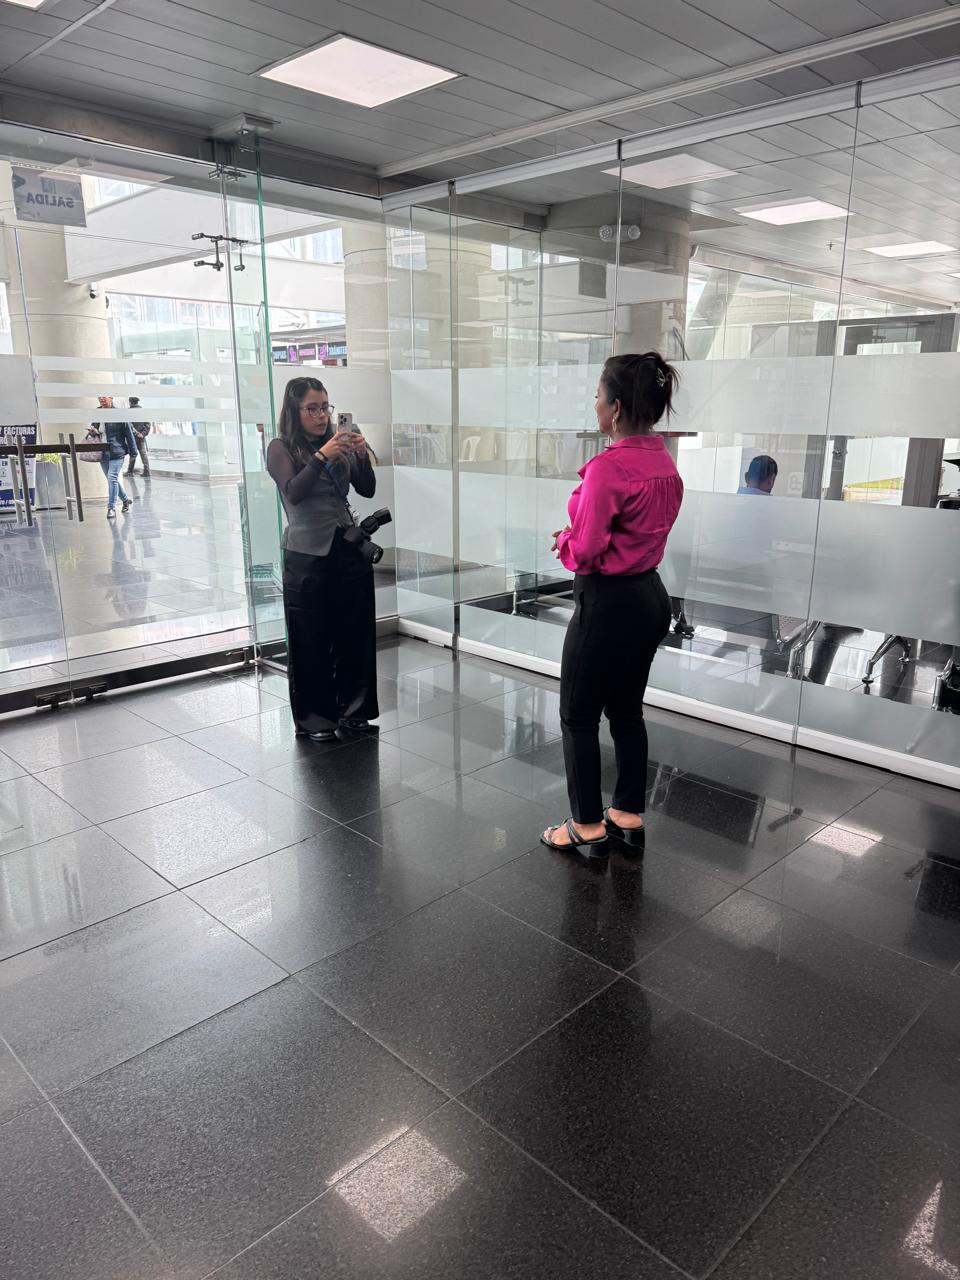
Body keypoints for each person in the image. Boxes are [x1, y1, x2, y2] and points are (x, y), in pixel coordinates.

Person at [541, 352, 683, 855]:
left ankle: (585, 824)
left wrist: (564, 539)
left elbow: (586, 552)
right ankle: (626, 811)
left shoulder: (609, 468)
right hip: (650, 598)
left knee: (577, 715)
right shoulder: (665, 463)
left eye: (598, 396)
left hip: (608, 601)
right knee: (626, 711)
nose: (595, 403)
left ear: (617, 407)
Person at [266, 376, 378, 741]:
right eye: (311, 408)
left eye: (324, 407)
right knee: (310, 638)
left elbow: (367, 489)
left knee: (356, 632)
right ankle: (317, 719)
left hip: (347, 547)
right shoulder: (280, 448)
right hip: (306, 554)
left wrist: (360, 455)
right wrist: (321, 456)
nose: (320, 415)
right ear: (294, 411)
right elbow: (293, 492)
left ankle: (354, 710)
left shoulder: (339, 441)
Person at [90, 396, 137, 519]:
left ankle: (111, 508)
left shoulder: (119, 414)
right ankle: (125, 500)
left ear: (111, 397)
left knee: (112, 478)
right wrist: (93, 431)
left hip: (117, 451)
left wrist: (133, 452)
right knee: (112, 479)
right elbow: (94, 428)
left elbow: (129, 433)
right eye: (99, 397)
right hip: (102, 452)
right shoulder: (97, 412)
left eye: (104, 397)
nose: (101, 399)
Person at [126, 396, 151, 476]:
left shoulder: (128, 412)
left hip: (132, 436)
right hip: (141, 437)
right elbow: (147, 425)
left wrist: (135, 433)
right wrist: (142, 434)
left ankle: (130, 471)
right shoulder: (143, 411)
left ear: (130, 402)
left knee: (133, 454)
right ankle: (147, 471)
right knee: (143, 454)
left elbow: (128, 425)